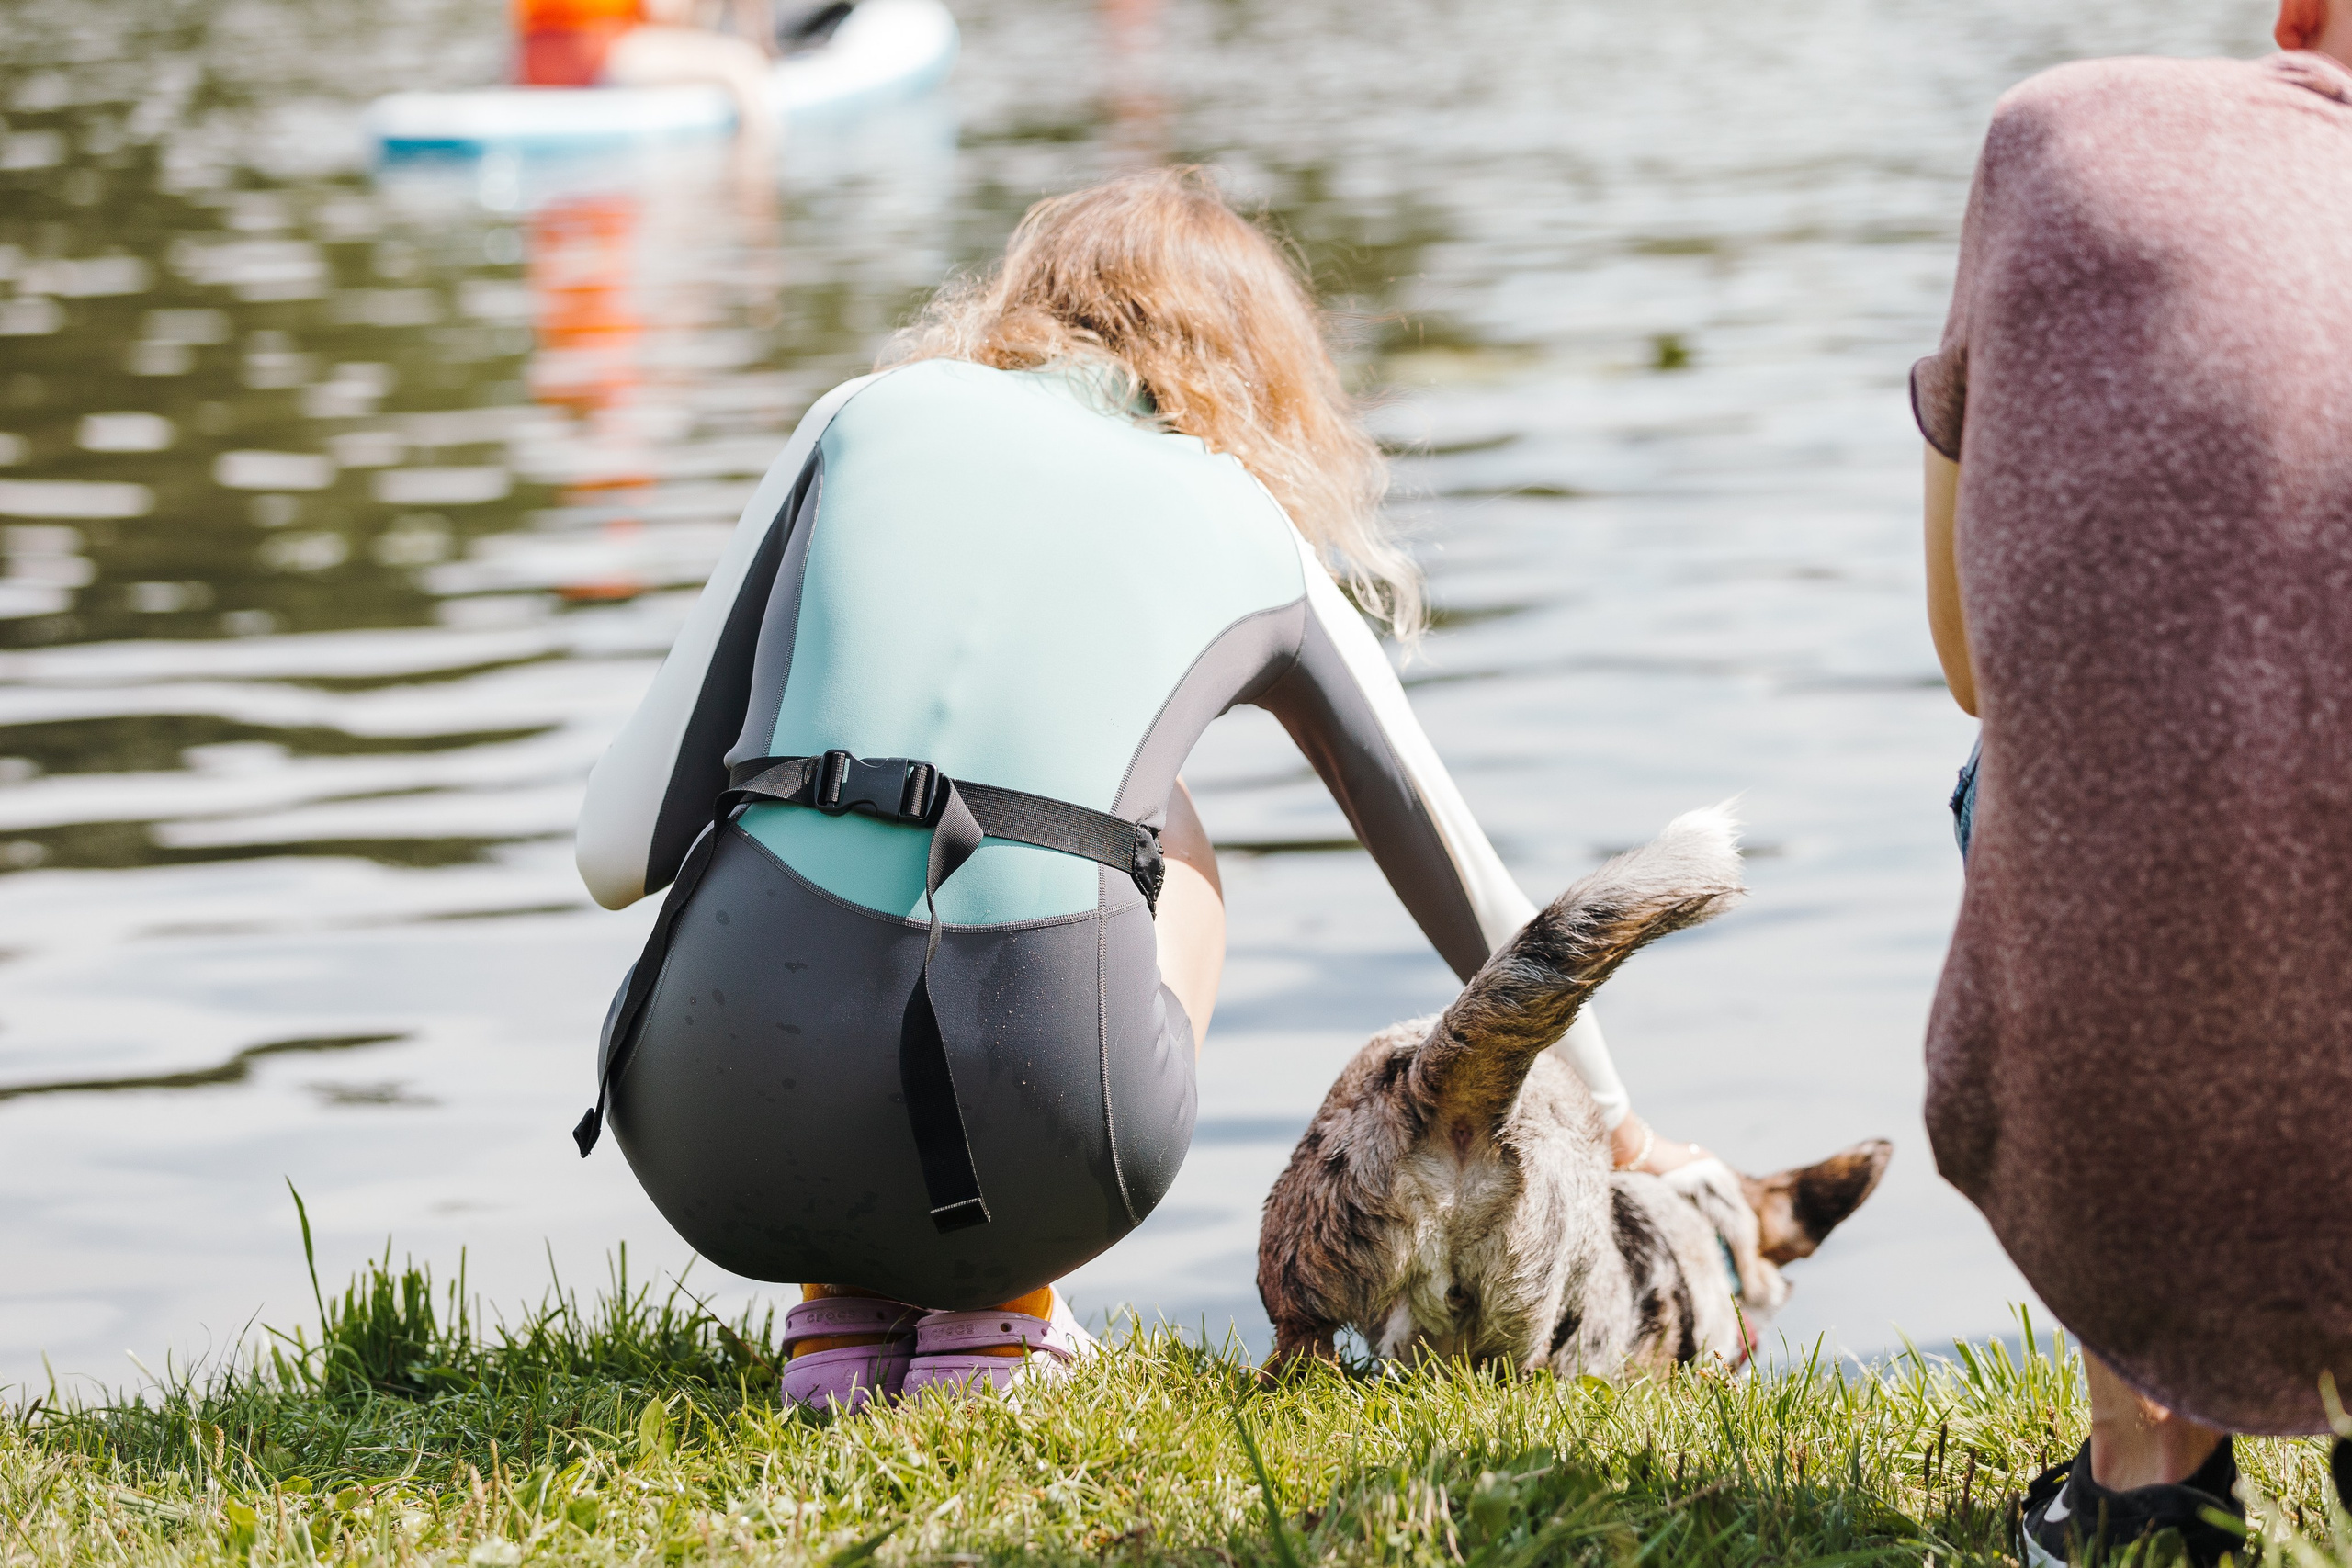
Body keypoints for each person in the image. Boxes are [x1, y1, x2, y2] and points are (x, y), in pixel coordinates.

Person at [572, 168, 1704, 1410]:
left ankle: (839, 1318)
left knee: (813, 802)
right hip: (1049, 1149)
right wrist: (1623, 1125)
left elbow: (614, 851)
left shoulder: (858, 416)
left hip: (706, 1135)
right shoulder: (1244, 517)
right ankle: (997, 1310)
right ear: (1262, 375)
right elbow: (1471, 888)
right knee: (1158, 822)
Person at [1917, 3, 2352, 1560]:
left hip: (2111, 1081)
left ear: (2296, 21)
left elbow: (1975, 665)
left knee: (2037, 767)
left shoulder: (2051, 129)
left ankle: (2141, 1474)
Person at [514, 0, 777, 142]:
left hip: (537, 63)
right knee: (742, 62)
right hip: (602, 53)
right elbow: (664, 12)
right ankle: (763, 172)